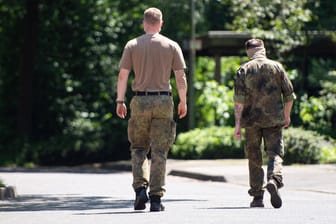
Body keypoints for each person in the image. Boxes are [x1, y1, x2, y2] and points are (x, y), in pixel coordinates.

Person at [116, 7, 187, 212]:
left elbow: (123, 75)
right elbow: (180, 77)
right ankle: (156, 198)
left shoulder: (132, 45)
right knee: (159, 151)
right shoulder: (172, 45)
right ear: (161, 23)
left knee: (139, 148)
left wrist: (120, 101)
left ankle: (140, 189)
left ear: (144, 23)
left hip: (140, 101)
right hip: (164, 101)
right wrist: (183, 101)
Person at [233, 39, 295, 208]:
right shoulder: (277, 67)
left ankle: (257, 197)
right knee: (275, 153)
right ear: (263, 50)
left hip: (251, 121)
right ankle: (274, 179)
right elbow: (290, 95)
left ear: (248, 52)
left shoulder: (243, 70)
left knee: (254, 157)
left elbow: (239, 102)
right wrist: (287, 116)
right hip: (274, 119)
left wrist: (237, 125)